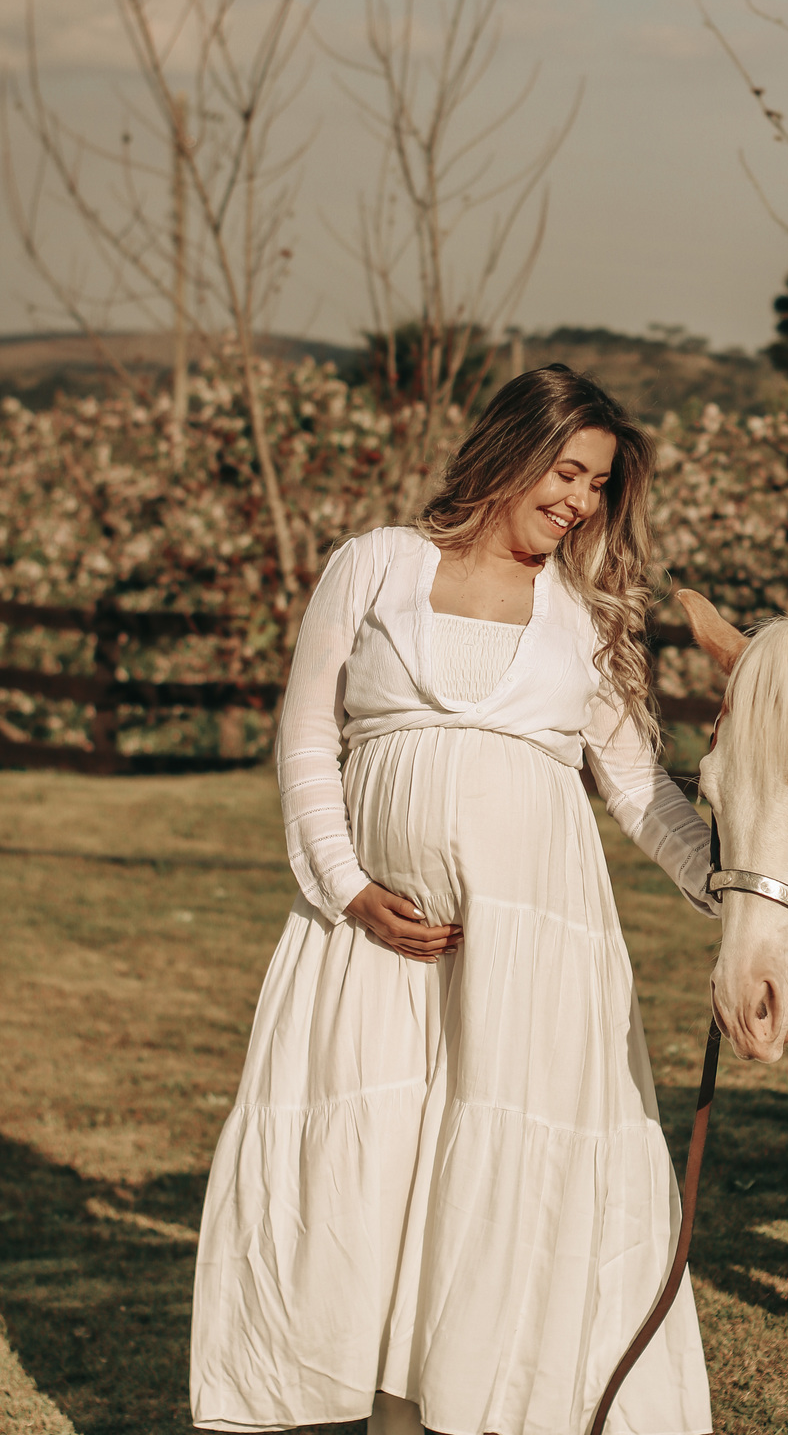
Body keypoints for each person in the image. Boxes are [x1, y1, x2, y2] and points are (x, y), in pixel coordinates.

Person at [190, 365, 716, 1435]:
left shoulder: (586, 613)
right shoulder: (376, 563)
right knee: (380, 1166)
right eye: (566, 471)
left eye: (598, 484)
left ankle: (490, 1402)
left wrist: (731, 888)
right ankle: (378, 1404)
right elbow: (307, 734)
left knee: (505, 1165)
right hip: (374, 945)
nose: (579, 501)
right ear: (510, 450)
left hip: (533, 948)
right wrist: (348, 888)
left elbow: (634, 787)